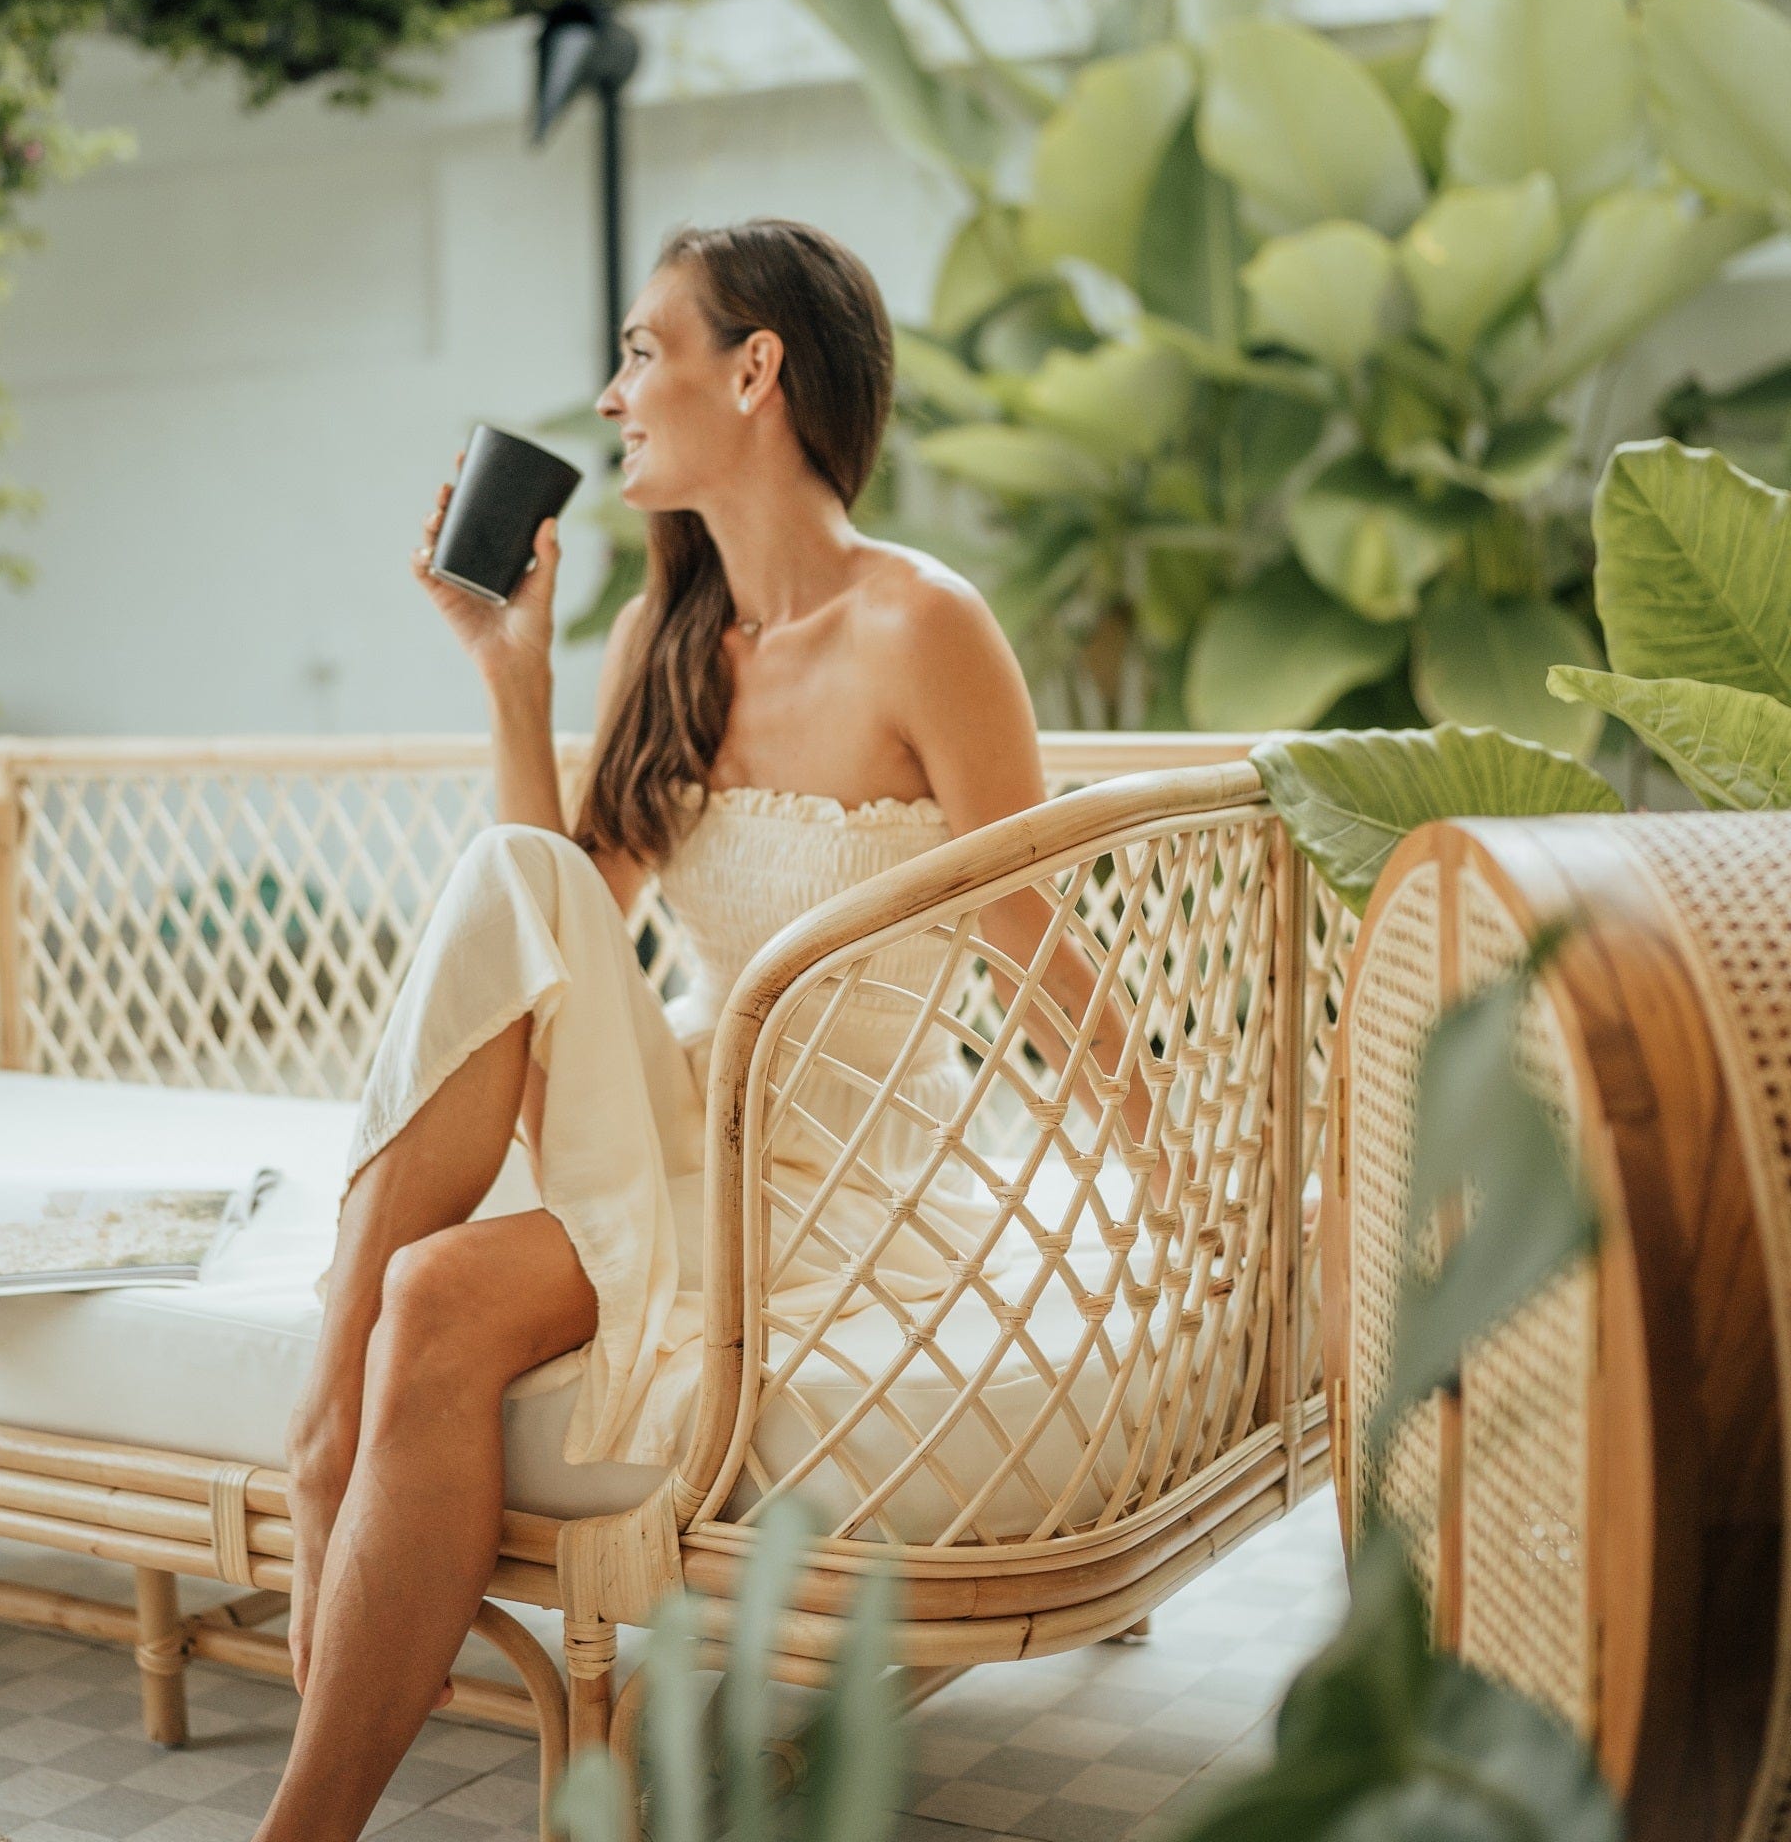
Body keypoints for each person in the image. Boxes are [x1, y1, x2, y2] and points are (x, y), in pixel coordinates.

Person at [254, 217, 1142, 1842]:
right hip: (683, 1109)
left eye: (641, 351)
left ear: (757, 370)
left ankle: (296, 1800)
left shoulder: (920, 627)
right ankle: (328, 1414)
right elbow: (554, 930)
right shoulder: (666, 638)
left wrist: (1182, 1170)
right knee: (516, 893)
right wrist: (512, 684)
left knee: (434, 1292)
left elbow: (1034, 936)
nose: (609, 397)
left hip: (851, 1175)